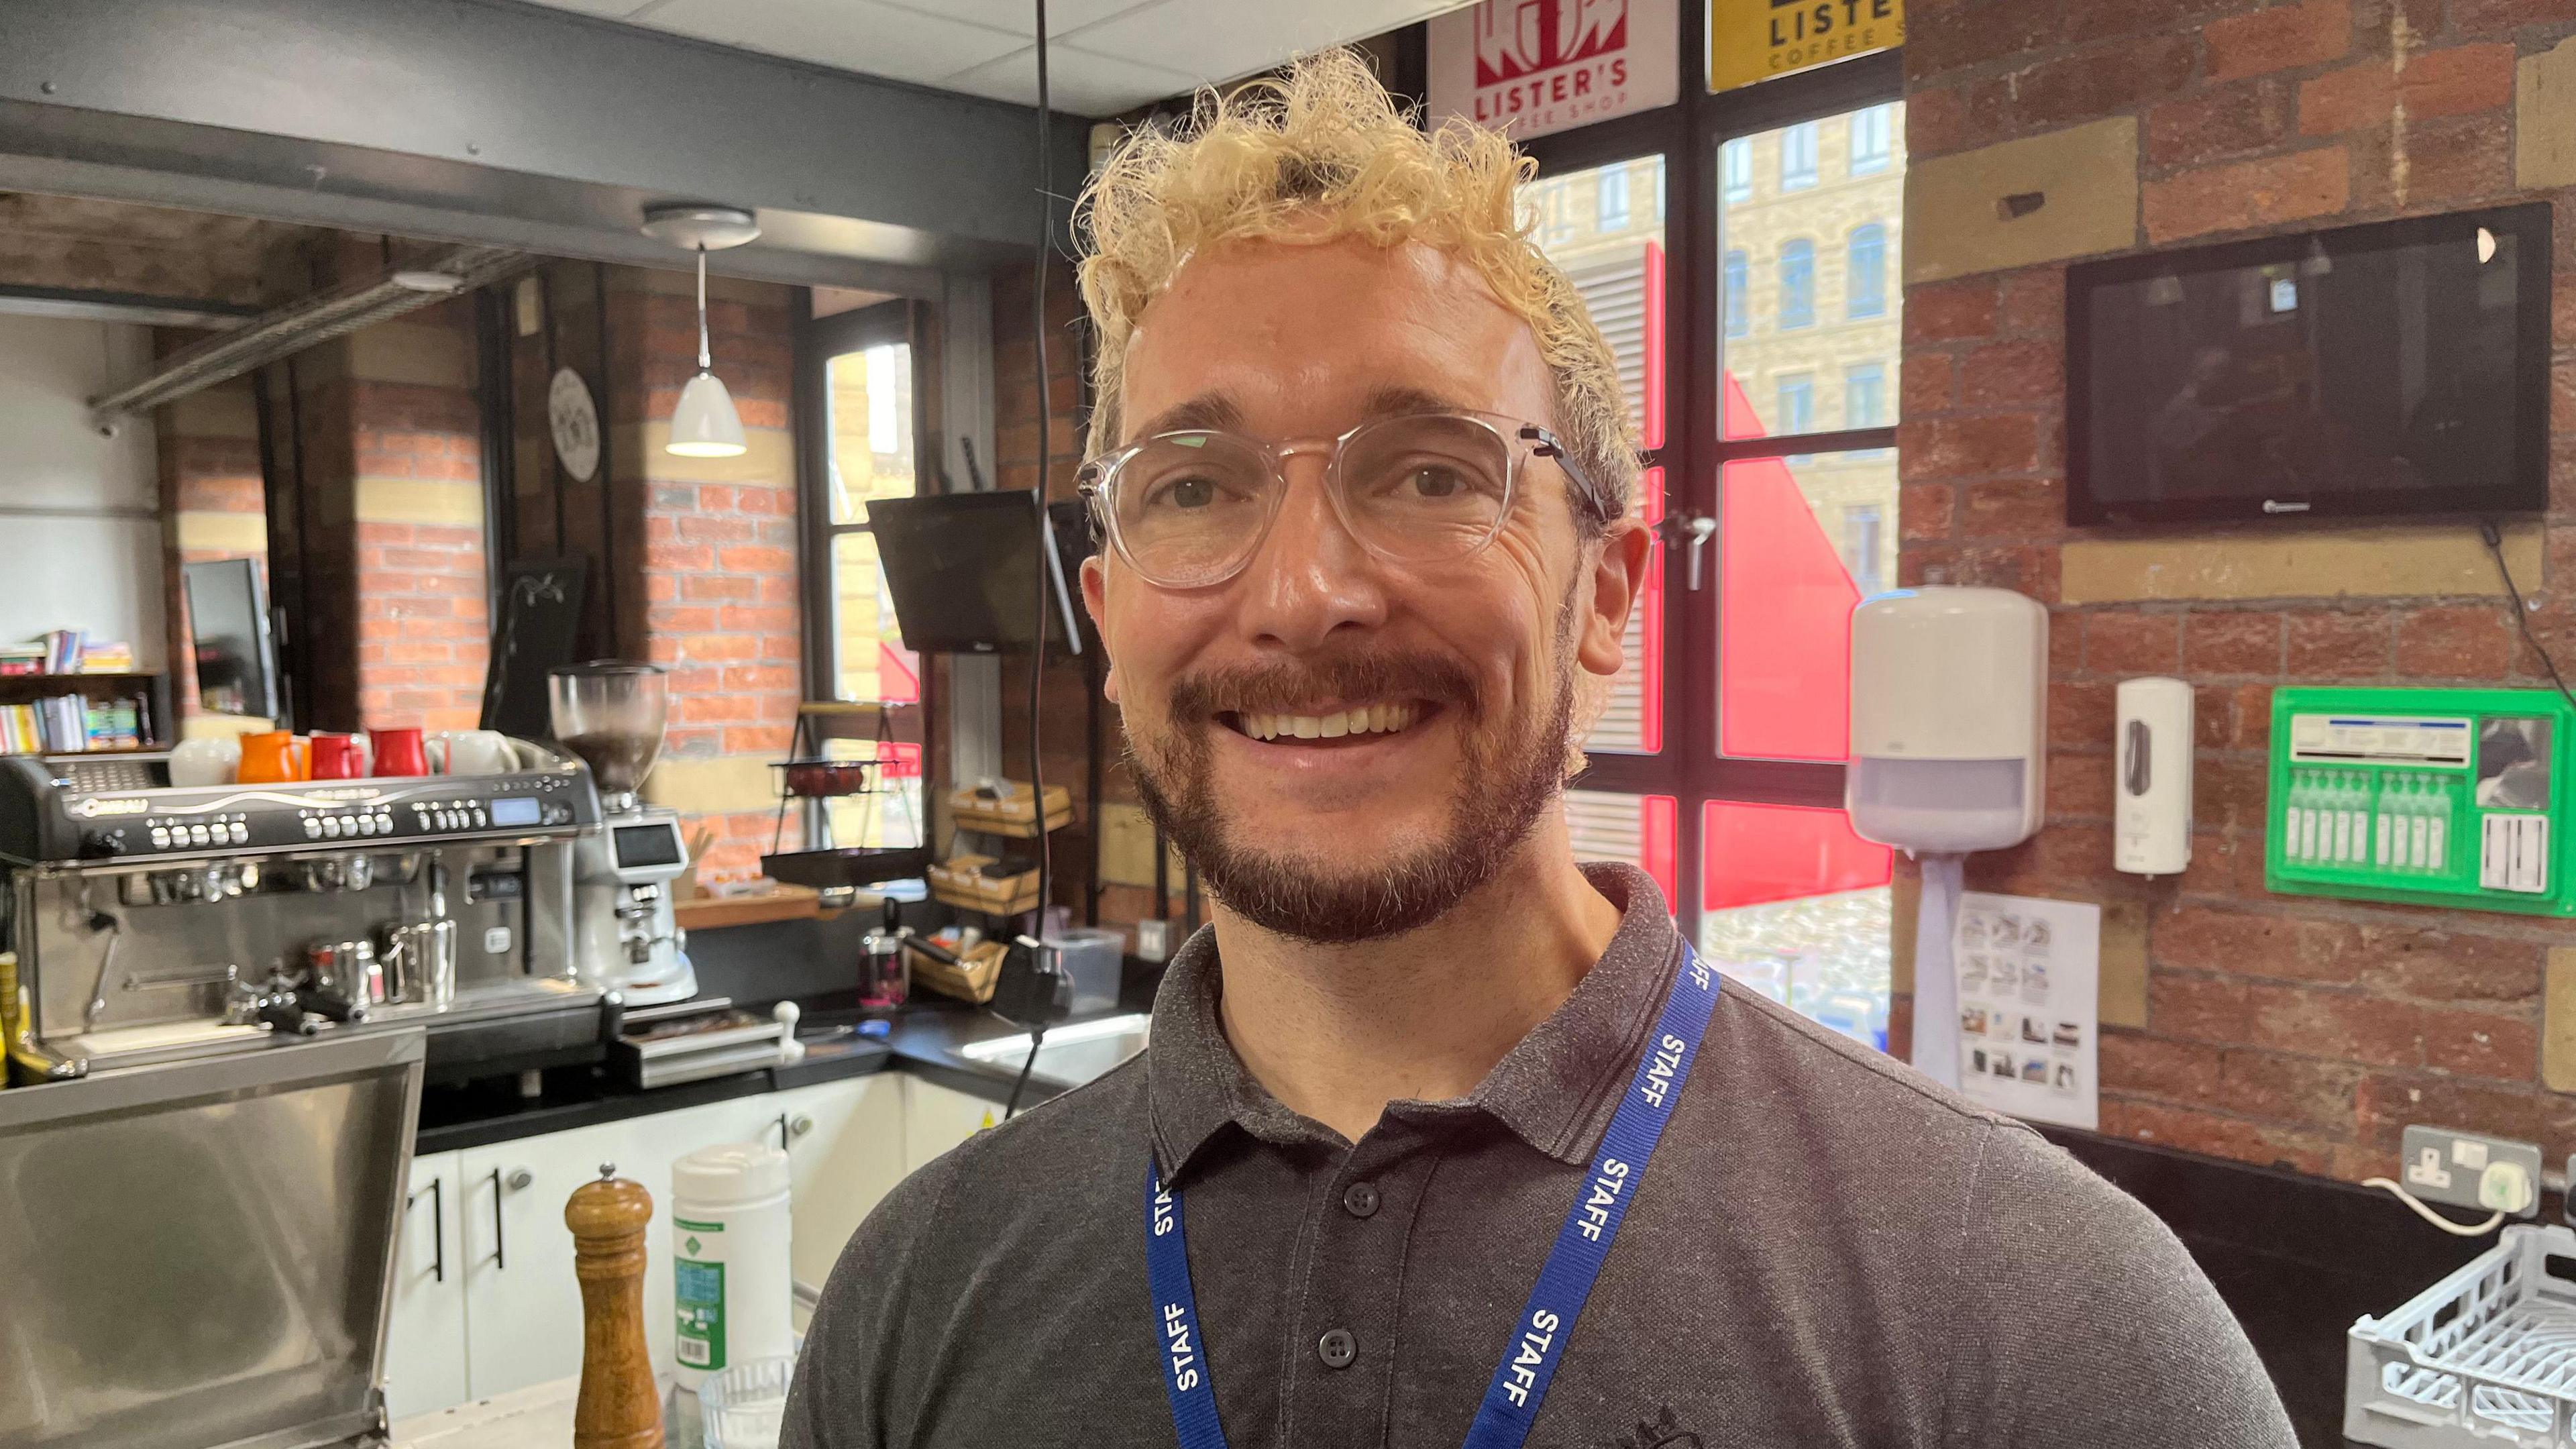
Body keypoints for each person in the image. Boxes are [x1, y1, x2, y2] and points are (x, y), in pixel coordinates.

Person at [786, 49, 2296, 1449]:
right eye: (1195, 487)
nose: (1306, 593)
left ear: (1606, 600)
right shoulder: (918, 1299)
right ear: (1111, 627)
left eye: (1433, 471)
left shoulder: (2035, 1318)